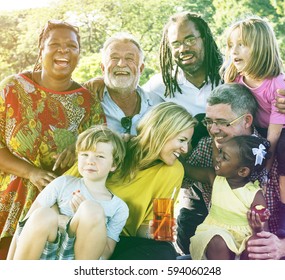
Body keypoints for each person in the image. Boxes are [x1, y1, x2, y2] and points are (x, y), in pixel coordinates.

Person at [0, 20, 105, 259]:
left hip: (58, 209)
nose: (64, 50)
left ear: (79, 54)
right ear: (41, 49)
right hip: (7, 199)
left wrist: (80, 149)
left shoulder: (88, 102)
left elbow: (102, 152)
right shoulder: (12, 89)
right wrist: (31, 172)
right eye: (54, 44)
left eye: (72, 45)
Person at [66, 102, 197, 259]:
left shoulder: (173, 171)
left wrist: (155, 230)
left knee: (164, 251)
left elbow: (144, 229)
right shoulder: (116, 147)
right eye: (182, 140)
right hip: (80, 232)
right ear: (163, 132)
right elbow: (63, 186)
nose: (185, 149)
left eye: (187, 142)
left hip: (119, 241)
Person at [179, 83, 285, 260]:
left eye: (223, 123)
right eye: (209, 121)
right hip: (220, 248)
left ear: (247, 120)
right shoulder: (206, 147)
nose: (214, 130)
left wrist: (284, 246)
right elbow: (180, 178)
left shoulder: (279, 151)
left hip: (274, 249)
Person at [222, 16, 285, 243]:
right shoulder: (236, 78)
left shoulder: (278, 84)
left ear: (261, 47)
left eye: (241, 44)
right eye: (231, 45)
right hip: (259, 128)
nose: (234, 51)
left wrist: (265, 168)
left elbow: (274, 135)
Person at [7, 125, 128, 260]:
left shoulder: (119, 207)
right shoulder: (63, 183)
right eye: (85, 154)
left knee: (91, 209)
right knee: (44, 214)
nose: (90, 161)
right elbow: (25, 225)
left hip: (80, 258)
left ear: (114, 164)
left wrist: (84, 222)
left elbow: (105, 254)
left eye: (100, 156)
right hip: (47, 252)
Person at [189, 135, 270, 260]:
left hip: (243, 241)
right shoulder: (215, 178)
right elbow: (187, 169)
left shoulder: (254, 194)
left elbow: (264, 234)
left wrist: (257, 229)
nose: (218, 158)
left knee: (254, 244)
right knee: (217, 240)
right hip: (215, 233)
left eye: (224, 157)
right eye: (220, 152)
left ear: (242, 171)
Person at [84, 32, 153, 138]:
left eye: (130, 58)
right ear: (103, 68)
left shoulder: (154, 105)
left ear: (141, 69)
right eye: (114, 58)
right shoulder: (87, 101)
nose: (121, 64)